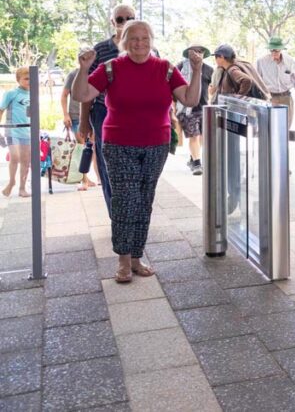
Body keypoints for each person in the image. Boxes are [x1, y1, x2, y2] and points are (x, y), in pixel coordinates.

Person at [72, 20, 203, 283]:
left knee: (144, 199)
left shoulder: (165, 69)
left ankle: (136, 257)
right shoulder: (111, 68)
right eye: (133, 38)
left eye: (144, 38)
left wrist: (197, 70)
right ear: (124, 41)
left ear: (152, 41)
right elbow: (82, 94)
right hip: (119, 144)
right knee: (124, 199)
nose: (139, 43)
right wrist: (83, 68)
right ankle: (122, 259)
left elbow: (189, 99)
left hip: (156, 144)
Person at [79, 3, 136, 215]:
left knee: (135, 160)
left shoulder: (144, 46)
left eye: (130, 18)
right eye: (120, 19)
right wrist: (84, 122)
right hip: (104, 112)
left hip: (135, 115)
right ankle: (115, 213)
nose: (125, 22)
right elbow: (87, 88)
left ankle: (132, 210)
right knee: (106, 162)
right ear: (113, 23)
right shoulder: (101, 49)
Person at [175, 45, 213, 176]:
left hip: (203, 108)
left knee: (202, 136)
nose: (197, 54)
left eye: (200, 51)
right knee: (194, 136)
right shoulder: (180, 67)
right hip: (187, 109)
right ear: (188, 54)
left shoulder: (208, 69)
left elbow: (211, 88)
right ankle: (197, 163)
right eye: (194, 51)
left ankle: (193, 157)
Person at [256, 37, 295, 129]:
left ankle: (284, 143)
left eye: (276, 50)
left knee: (285, 128)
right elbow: (256, 82)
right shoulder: (261, 62)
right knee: (270, 128)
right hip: (269, 98)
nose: (274, 53)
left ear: (281, 49)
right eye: (271, 50)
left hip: (286, 98)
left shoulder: (290, 62)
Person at [61, 67, 96, 190]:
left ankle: (89, 177)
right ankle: (84, 180)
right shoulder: (73, 74)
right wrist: (66, 115)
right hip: (76, 116)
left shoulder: (97, 71)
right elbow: (64, 95)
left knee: (92, 147)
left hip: (93, 115)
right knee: (82, 148)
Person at [0, 67, 32, 198]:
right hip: (12, 130)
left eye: (31, 79)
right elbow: (1, 109)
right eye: (26, 79)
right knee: (15, 157)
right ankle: (12, 181)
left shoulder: (32, 94)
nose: (29, 81)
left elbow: (32, 114)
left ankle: (22, 187)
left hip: (27, 131)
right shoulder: (11, 94)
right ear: (18, 80)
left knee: (26, 160)